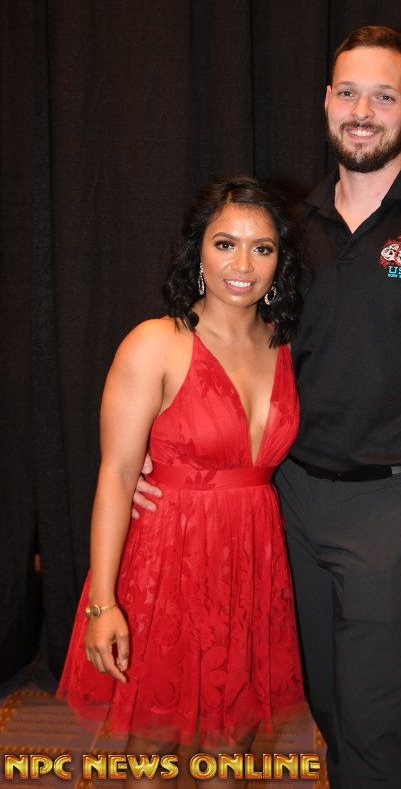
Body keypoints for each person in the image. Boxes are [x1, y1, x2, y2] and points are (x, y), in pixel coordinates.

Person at [134, 27, 401, 788]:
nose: (362, 111)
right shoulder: (285, 230)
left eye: (383, 96)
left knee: (372, 723)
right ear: (326, 101)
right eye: (348, 92)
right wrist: (156, 460)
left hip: (397, 507)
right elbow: (214, 348)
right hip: (287, 497)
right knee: (323, 705)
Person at [58, 177, 305, 780]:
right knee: (152, 750)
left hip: (252, 563)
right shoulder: (156, 343)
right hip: (168, 562)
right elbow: (117, 476)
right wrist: (102, 603)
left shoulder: (287, 346)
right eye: (225, 244)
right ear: (197, 251)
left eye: (262, 248)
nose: (242, 265)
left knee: (234, 748)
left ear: (281, 261)